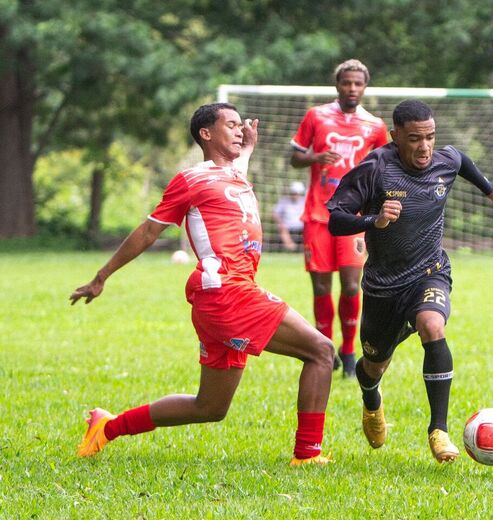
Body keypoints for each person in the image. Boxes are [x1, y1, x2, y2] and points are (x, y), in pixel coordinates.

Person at [70, 103, 334, 466]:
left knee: (210, 407)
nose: (240, 130)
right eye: (231, 125)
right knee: (320, 351)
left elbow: (237, 166)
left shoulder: (236, 173)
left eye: (241, 125)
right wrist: (101, 277)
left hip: (218, 297)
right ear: (206, 134)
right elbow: (148, 231)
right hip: (228, 292)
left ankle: (108, 427)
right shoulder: (191, 179)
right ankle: (307, 455)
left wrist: (249, 147)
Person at [326, 99, 493, 463]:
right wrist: (374, 221)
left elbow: (461, 160)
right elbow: (335, 217)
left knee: (433, 325)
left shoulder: (444, 161)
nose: (425, 146)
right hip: (384, 287)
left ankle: (438, 430)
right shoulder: (375, 169)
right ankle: (371, 400)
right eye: (415, 138)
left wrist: (490, 190)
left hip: (430, 272)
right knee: (373, 366)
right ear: (395, 135)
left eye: (430, 137)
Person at [290, 59, 388, 378]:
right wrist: (315, 158)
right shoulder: (316, 116)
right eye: (347, 82)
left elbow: (387, 168)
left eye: (358, 83)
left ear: (365, 87)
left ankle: (348, 353)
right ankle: (324, 348)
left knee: (350, 286)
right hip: (318, 215)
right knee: (321, 288)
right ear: (337, 85)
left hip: (355, 219)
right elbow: (294, 158)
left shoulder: (374, 126)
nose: (352, 88)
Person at [272, 181, 306, 252]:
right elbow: (275, 213)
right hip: (287, 226)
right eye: (293, 193)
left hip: (301, 226)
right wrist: (280, 222)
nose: (295, 195)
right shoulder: (284, 201)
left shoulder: (304, 201)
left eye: (297, 193)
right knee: (282, 228)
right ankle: (291, 249)